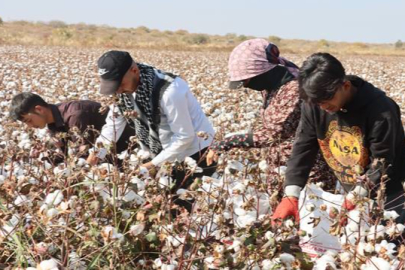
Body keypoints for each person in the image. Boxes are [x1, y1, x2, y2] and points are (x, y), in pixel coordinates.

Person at [272, 52, 405, 224]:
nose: (323, 107)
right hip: (348, 189)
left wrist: (356, 197)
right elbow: (303, 147)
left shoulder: (381, 110)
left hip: (385, 194)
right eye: (317, 103)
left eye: (327, 100)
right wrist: (291, 193)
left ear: (346, 86)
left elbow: (382, 162)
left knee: (388, 241)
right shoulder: (314, 104)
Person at [87, 50, 216, 208]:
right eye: (113, 86)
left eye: (119, 84)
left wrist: (152, 165)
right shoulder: (121, 91)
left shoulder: (169, 90)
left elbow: (184, 136)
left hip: (195, 153)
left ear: (134, 70)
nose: (118, 91)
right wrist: (96, 154)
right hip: (161, 153)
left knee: (181, 210)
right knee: (155, 206)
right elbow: (113, 125)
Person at [207, 39, 334, 190]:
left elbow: (272, 134)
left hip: (306, 173)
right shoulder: (271, 87)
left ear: (262, 72)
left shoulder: (294, 90)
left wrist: (228, 142)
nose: (246, 85)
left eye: (246, 80)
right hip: (281, 168)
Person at [9, 92, 135, 163]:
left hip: (129, 151)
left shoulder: (74, 116)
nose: (30, 126)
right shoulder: (53, 123)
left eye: (29, 120)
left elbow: (86, 154)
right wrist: (38, 160)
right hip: (108, 154)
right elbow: (63, 155)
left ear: (39, 109)